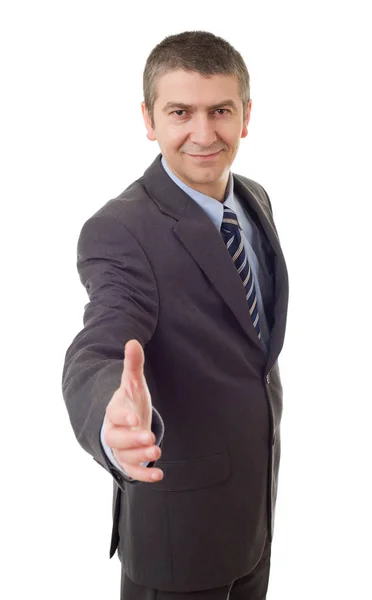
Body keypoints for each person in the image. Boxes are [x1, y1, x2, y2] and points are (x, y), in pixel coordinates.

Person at [62, 30, 289, 600]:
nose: (204, 133)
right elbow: (102, 342)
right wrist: (112, 418)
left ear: (246, 116)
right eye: (181, 112)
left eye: (221, 111)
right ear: (149, 118)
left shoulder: (254, 198)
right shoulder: (120, 229)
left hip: (253, 517)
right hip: (177, 540)